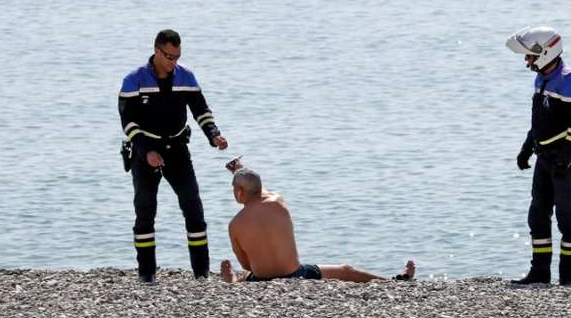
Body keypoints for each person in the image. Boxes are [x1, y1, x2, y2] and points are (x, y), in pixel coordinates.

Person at [118, 29, 229, 283]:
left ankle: (201, 275)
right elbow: (128, 123)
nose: (173, 62)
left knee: (194, 208)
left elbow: (201, 110)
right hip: (145, 153)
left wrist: (214, 135)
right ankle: (147, 276)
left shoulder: (186, 77)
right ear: (157, 51)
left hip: (178, 151)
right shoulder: (133, 80)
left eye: (177, 57)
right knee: (145, 213)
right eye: (169, 56)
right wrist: (147, 151)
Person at [220, 163, 415, 283]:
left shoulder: (235, 225)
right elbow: (260, 191)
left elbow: (248, 265)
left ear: (239, 192)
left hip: (261, 279)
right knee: (346, 270)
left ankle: (234, 281)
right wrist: (240, 170)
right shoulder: (278, 202)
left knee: (245, 274)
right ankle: (393, 282)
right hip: (297, 275)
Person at [505, 26, 571, 286]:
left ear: (545, 52)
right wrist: (527, 146)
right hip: (544, 156)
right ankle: (540, 272)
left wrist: (565, 159)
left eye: (529, 56)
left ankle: (568, 278)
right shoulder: (541, 78)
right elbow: (539, 120)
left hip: (565, 159)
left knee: (567, 220)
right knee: (537, 215)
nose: (526, 61)